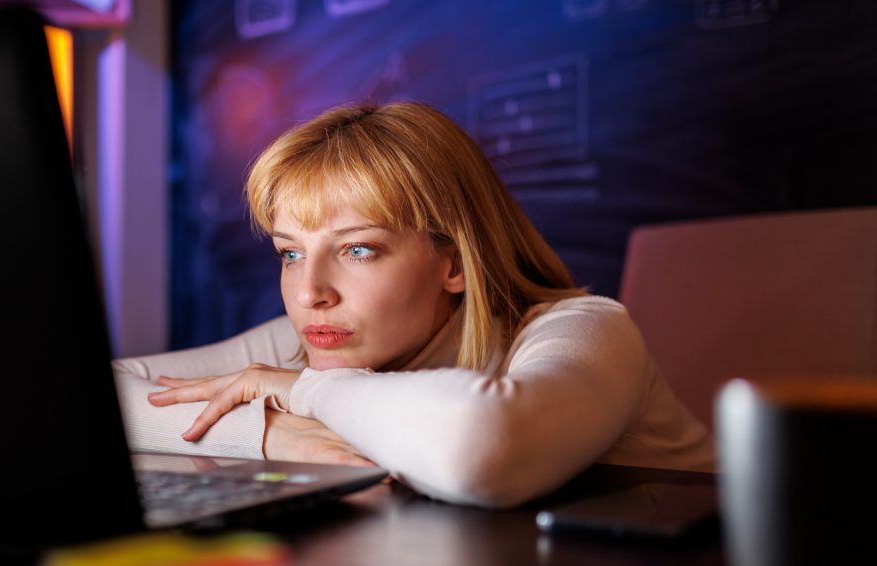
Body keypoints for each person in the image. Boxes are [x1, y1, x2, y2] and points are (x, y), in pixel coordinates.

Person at [113, 102, 715, 508]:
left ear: (454, 262)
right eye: (291, 254)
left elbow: (481, 447)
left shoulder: (590, 328)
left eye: (358, 249)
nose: (309, 292)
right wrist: (271, 433)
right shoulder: (322, 333)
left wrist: (303, 392)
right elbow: (90, 395)